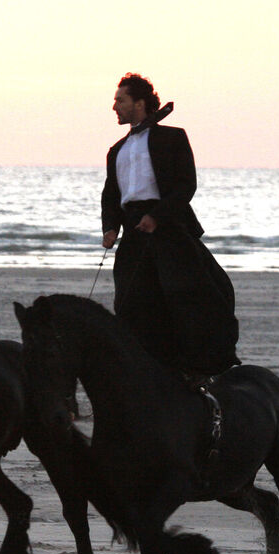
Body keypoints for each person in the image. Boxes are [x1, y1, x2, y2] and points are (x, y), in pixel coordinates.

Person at [100, 73, 239, 378]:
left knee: (187, 295)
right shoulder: (116, 150)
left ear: (139, 103)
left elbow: (186, 185)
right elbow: (111, 195)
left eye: (120, 100)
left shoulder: (172, 138)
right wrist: (110, 228)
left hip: (169, 228)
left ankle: (200, 366)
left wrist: (157, 216)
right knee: (130, 302)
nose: (114, 107)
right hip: (134, 231)